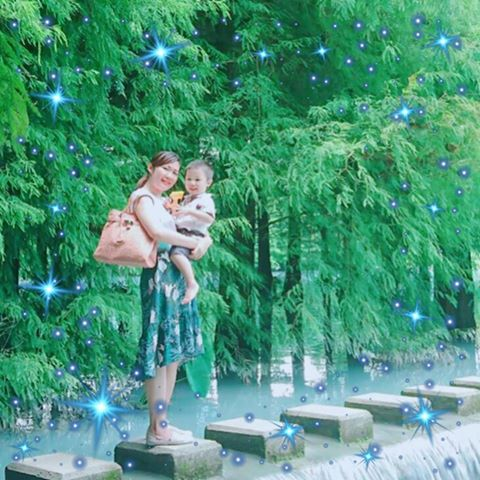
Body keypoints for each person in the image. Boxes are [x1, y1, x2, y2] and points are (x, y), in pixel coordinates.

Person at [129, 151, 212, 446]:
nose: (170, 176)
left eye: (175, 172)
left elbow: (190, 228)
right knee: (158, 349)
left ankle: (163, 424)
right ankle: (156, 429)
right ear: (151, 167)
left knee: (171, 351)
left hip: (174, 278)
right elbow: (157, 233)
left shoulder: (164, 201)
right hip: (158, 277)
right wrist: (194, 242)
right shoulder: (142, 198)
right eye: (165, 169)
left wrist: (205, 240)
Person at [168, 160, 215, 304]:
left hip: (192, 235)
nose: (192, 183)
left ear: (208, 182)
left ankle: (192, 283)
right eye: (189, 179)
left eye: (197, 180)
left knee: (176, 253)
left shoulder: (206, 200)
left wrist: (189, 211)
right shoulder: (186, 199)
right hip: (180, 234)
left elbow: (209, 218)